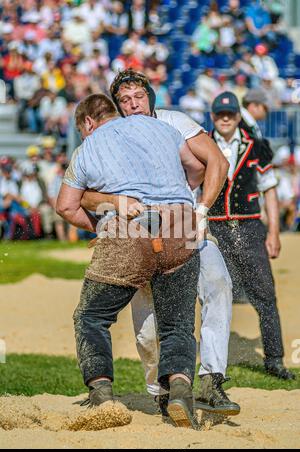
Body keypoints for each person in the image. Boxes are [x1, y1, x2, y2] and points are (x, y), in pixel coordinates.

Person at [81, 70, 240, 416]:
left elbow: (217, 161)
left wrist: (198, 209)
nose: (132, 103)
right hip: (136, 234)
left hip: (187, 226)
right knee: (148, 329)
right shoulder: (116, 133)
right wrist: (110, 216)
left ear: (150, 97)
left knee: (217, 284)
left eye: (138, 96)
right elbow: (87, 191)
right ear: (117, 106)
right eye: (124, 99)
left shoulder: (173, 121)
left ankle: (212, 379)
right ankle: (162, 392)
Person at [56, 93, 206, 430]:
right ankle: (179, 391)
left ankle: (102, 395)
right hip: (181, 226)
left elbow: (65, 206)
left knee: (91, 316)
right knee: (177, 324)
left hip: (127, 229)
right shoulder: (162, 129)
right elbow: (196, 168)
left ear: (88, 123)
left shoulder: (89, 147)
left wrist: (102, 225)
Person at [208, 91, 295, 380]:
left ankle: (274, 359)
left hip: (249, 226)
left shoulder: (257, 146)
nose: (224, 119)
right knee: (213, 295)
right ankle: (214, 365)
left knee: (265, 294)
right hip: (215, 228)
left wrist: (273, 231)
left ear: (236, 115)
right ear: (212, 117)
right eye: (219, 114)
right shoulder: (202, 145)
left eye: (229, 114)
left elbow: (269, 189)